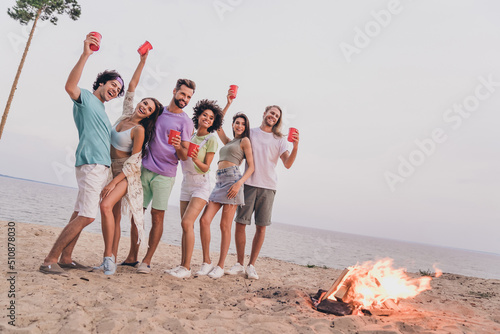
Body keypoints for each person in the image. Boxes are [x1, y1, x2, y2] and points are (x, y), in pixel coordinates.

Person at [40, 33, 125, 276]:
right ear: (101, 83)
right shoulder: (86, 97)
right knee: (88, 216)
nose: (114, 89)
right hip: (90, 163)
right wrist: (86, 54)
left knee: (79, 212)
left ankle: (66, 257)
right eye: (112, 84)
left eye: (118, 89)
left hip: (100, 167)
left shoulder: (102, 109)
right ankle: (50, 259)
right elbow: (69, 86)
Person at [95, 50, 163, 275]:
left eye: (149, 109)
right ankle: (111, 259)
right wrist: (142, 62)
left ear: (149, 115)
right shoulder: (125, 117)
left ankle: (108, 257)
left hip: (125, 174)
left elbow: (134, 162)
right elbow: (131, 87)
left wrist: (114, 182)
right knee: (112, 215)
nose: (143, 107)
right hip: (109, 167)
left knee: (105, 206)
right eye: (144, 103)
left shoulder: (140, 130)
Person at [121, 78, 196, 274]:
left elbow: (183, 156)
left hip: (165, 175)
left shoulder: (186, 123)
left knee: (157, 217)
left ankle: (147, 260)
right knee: (137, 214)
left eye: (188, 97)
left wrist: (179, 145)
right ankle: (131, 257)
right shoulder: (159, 111)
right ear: (174, 91)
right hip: (145, 168)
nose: (184, 99)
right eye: (182, 94)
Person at [225, 105, 299, 279]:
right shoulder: (250, 132)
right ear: (264, 113)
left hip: (268, 187)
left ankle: (251, 266)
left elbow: (287, 164)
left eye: (276, 115)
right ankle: (239, 263)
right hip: (247, 184)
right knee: (241, 223)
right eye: (271, 113)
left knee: (261, 226)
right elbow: (234, 146)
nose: (273, 116)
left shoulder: (280, 139)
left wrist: (295, 146)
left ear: (278, 120)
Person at [197, 93, 255, 279]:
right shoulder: (230, 142)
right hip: (219, 181)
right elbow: (217, 125)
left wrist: (239, 183)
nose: (239, 126)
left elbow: (251, 167)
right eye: (236, 123)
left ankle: (220, 266)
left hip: (232, 181)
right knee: (204, 220)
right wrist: (228, 103)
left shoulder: (244, 141)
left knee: (224, 226)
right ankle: (207, 261)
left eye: (242, 123)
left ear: (245, 127)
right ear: (233, 125)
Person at [166, 99, 224, 278]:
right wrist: (177, 146)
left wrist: (196, 158)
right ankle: (183, 264)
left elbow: (206, 167)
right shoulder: (189, 135)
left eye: (211, 117)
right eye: (204, 115)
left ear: (214, 122)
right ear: (198, 116)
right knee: (184, 226)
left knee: (187, 222)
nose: (207, 118)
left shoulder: (211, 139)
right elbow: (182, 158)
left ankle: (186, 268)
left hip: (201, 184)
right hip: (186, 183)